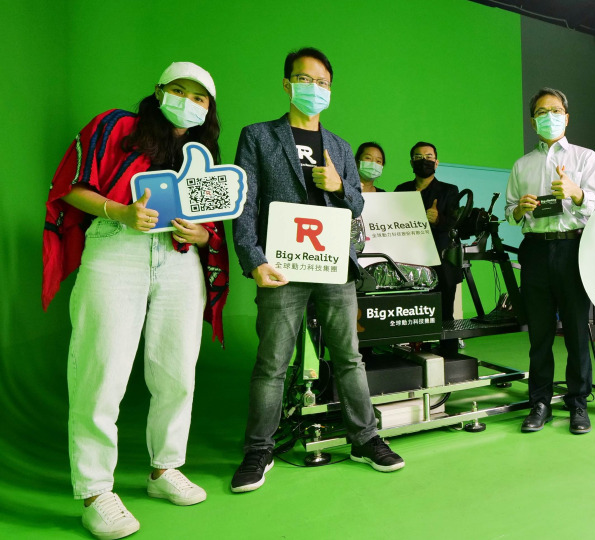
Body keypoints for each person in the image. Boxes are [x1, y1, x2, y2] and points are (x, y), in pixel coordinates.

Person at [42, 62, 230, 540]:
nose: (188, 102)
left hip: (179, 258)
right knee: (101, 369)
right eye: (179, 90)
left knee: (177, 370)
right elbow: (70, 188)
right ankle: (94, 491)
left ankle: (165, 468)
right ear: (159, 90)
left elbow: (210, 224)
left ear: (209, 108)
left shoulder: (203, 153)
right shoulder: (116, 127)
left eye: (199, 97)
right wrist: (120, 211)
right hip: (115, 247)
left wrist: (201, 234)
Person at [231, 47, 403, 494]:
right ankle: (258, 449)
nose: (314, 88)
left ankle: (365, 438)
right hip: (281, 267)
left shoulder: (340, 147)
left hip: (334, 265)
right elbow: (245, 202)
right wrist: (253, 259)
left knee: (349, 357)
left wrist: (340, 184)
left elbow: (358, 204)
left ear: (330, 89)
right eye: (305, 79)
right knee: (272, 362)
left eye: (322, 82)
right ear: (287, 84)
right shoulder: (258, 136)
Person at [505, 88, 595, 435]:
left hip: (573, 248)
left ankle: (578, 403)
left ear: (567, 117)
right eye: (542, 112)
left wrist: (576, 193)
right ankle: (540, 403)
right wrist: (520, 209)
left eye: (556, 110)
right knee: (540, 334)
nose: (550, 116)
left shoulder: (585, 157)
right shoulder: (522, 165)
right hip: (535, 250)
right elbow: (510, 212)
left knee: (576, 331)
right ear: (533, 122)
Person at [394, 142, 461, 356]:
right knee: (413, 310)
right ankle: (415, 350)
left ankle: (449, 354)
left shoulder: (450, 191)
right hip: (409, 260)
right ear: (411, 162)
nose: (424, 160)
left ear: (436, 162)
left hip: (442, 260)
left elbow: (455, 223)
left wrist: (438, 219)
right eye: (418, 157)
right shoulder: (401, 190)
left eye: (429, 156)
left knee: (445, 311)